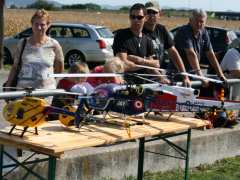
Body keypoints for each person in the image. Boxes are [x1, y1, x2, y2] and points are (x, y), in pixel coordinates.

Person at [5, 9, 64, 90]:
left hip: (46, 92)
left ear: (48, 25)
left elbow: (60, 67)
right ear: (32, 24)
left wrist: (50, 81)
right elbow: (15, 67)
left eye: (42, 24)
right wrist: (8, 85)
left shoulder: (54, 44)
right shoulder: (22, 43)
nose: (39, 27)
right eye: (36, 24)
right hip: (23, 91)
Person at [112, 3, 165, 84]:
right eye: (133, 17)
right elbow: (123, 64)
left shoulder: (147, 39)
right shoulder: (121, 35)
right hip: (125, 83)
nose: (135, 20)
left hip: (144, 84)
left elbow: (156, 64)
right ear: (129, 17)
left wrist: (161, 78)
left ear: (146, 18)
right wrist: (147, 63)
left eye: (139, 17)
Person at [143, 1, 191, 87]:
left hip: (158, 77)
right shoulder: (140, 31)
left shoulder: (161, 30)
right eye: (148, 12)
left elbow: (173, 52)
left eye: (154, 12)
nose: (151, 15)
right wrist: (161, 78)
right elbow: (146, 61)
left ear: (159, 14)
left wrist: (185, 76)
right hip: (143, 78)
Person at [174, 9, 226, 86]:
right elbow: (191, 53)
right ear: (190, 20)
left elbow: (211, 54)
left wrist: (221, 75)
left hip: (192, 74)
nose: (199, 24)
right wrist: (201, 77)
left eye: (202, 22)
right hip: (178, 74)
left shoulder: (204, 32)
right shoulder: (184, 31)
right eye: (197, 21)